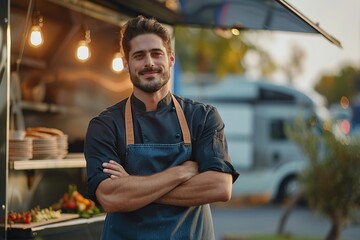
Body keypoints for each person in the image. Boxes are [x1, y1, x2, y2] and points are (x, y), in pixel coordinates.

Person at [84, 15, 239, 240]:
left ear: (171, 59)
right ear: (126, 63)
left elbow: (219, 187)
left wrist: (133, 186)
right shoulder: (105, 125)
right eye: (139, 56)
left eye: (156, 54)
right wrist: (181, 172)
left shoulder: (202, 117)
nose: (149, 63)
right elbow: (111, 197)